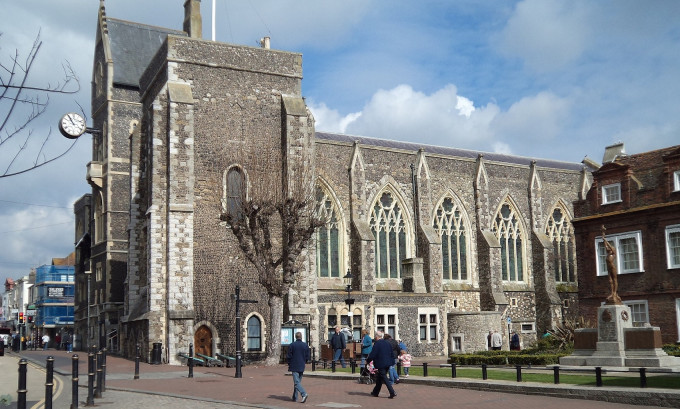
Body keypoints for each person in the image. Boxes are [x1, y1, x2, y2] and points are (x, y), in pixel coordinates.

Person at [366, 332, 397, 399]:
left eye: (375, 336)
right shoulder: (387, 343)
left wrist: (368, 361)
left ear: (377, 337)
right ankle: (375, 392)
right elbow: (392, 353)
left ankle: (392, 392)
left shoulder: (377, 344)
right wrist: (392, 361)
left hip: (381, 363)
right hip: (388, 363)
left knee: (384, 377)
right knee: (380, 377)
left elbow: (373, 354)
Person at [287, 331, 310, 403]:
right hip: (301, 365)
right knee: (298, 382)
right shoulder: (305, 345)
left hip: (294, 365)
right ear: (301, 337)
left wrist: (289, 363)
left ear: (295, 337)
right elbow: (307, 356)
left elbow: (289, 356)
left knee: (297, 382)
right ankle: (295, 397)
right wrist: (305, 361)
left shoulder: (292, 345)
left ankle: (304, 394)